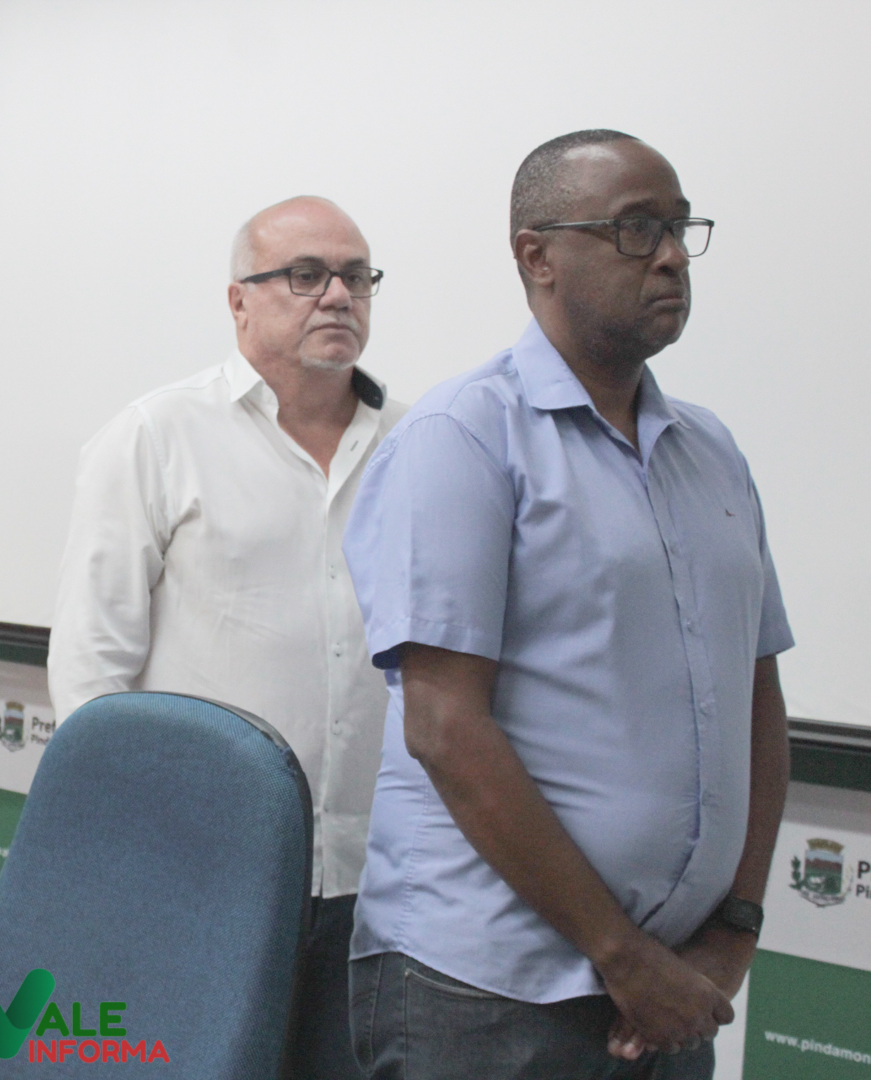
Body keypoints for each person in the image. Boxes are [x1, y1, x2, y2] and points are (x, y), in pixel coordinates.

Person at [342, 130, 793, 1080]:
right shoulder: (464, 437)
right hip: (485, 993)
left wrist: (734, 929)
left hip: (672, 988)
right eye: (635, 228)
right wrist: (619, 953)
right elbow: (444, 727)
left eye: (679, 228)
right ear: (536, 255)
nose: (670, 256)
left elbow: (756, 701)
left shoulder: (712, 452)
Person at [48, 195, 404, 1078]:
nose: (337, 295)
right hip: (199, 874)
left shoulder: (416, 444)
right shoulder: (157, 436)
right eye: (305, 275)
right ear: (239, 301)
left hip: (378, 883)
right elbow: (92, 672)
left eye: (355, 276)